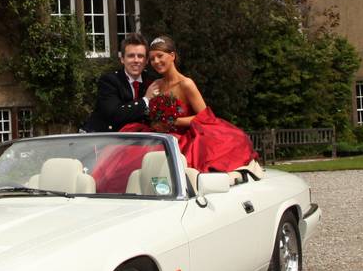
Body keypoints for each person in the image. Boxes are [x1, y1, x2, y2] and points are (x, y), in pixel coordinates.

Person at [132, 35, 259, 174]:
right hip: (161, 136)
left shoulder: (186, 84)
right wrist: (155, 123)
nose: (156, 61)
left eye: (160, 56)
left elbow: (205, 118)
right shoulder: (155, 85)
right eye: (152, 59)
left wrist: (172, 121)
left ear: (172, 55)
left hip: (182, 139)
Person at [81, 33, 158, 132]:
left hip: (137, 139)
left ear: (146, 60)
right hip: (101, 138)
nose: (136, 60)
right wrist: (145, 100)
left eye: (140, 56)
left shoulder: (151, 82)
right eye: (131, 56)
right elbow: (115, 115)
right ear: (122, 59)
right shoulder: (109, 81)